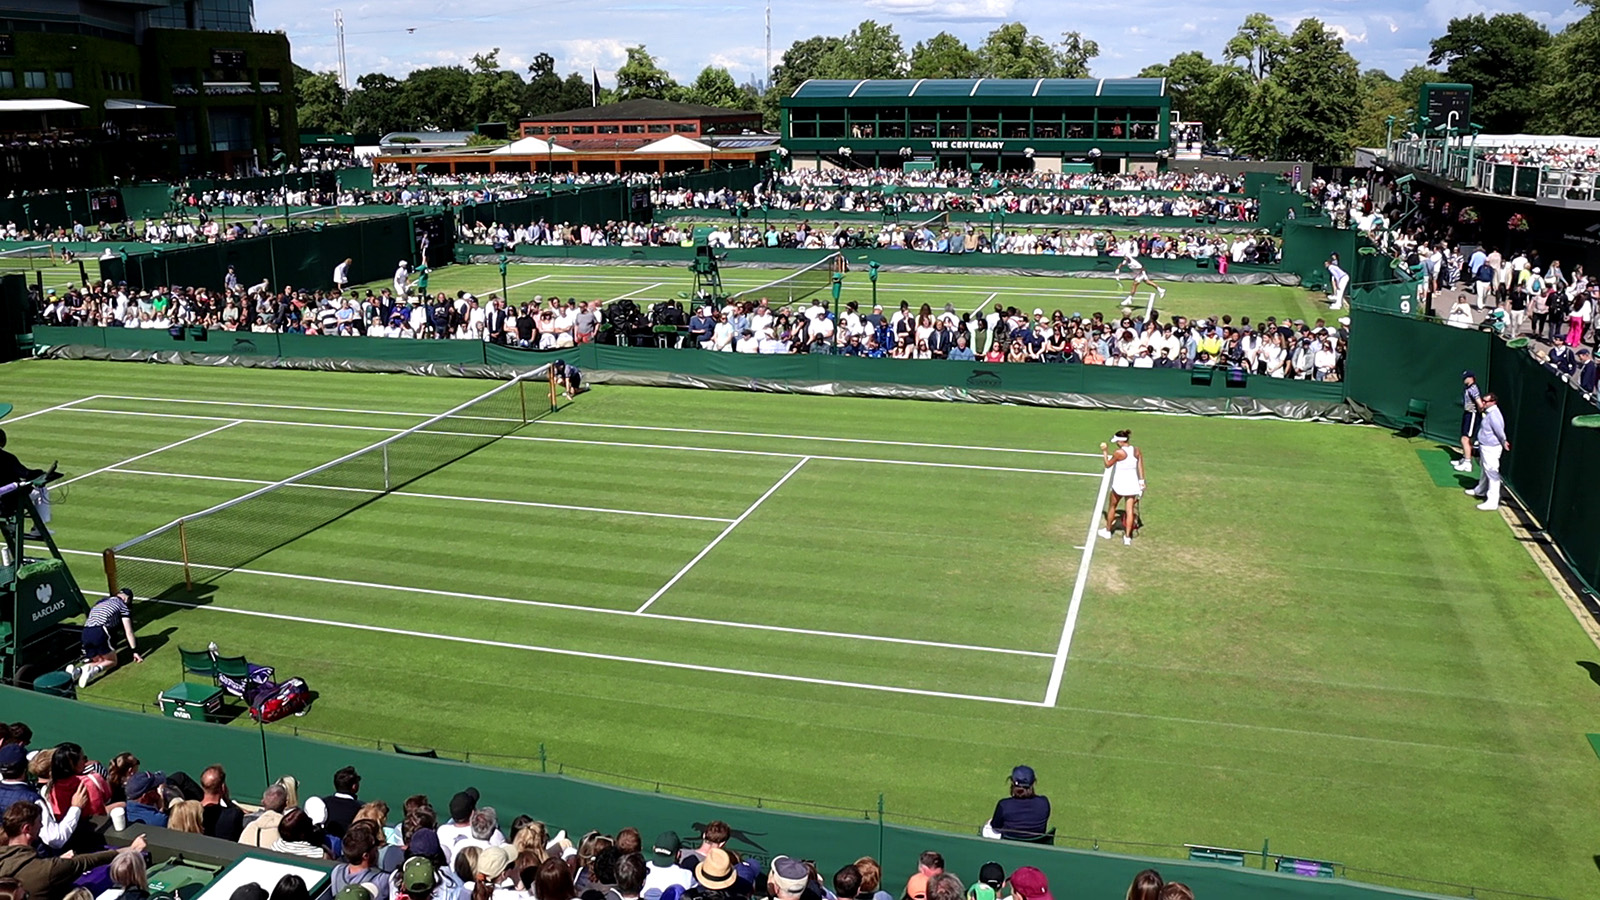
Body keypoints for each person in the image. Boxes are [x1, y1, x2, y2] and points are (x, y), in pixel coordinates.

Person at [0, 801, 140, 900]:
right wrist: (128, 850)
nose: (42, 825)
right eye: (39, 822)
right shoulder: (46, 870)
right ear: (27, 829)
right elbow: (86, 861)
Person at [67, 589, 141, 689]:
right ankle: (93, 672)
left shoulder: (101, 602)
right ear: (127, 599)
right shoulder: (123, 606)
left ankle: (78, 671)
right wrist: (134, 651)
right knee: (112, 661)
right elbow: (128, 631)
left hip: (86, 632)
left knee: (99, 660)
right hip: (100, 631)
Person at [1098, 430, 1145, 546]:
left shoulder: (1119, 453)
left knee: (1112, 506)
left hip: (1120, 484)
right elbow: (1140, 466)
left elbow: (1107, 464)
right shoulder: (1137, 450)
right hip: (1132, 484)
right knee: (1130, 511)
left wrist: (1105, 451)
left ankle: (1108, 531)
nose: (1116, 443)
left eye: (1117, 441)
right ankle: (1127, 537)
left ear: (1120, 441)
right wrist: (1141, 482)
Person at [1466, 392, 1510, 511]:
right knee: (1485, 469)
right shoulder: (1489, 412)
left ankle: (1492, 501)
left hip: (1491, 448)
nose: (1483, 403)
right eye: (1483, 400)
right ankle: (1480, 490)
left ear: (1493, 402)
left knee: (1492, 473)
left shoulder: (1494, 415)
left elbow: (1499, 431)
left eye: (1486, 401)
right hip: (1485, 446)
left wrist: (1504, 441)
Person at [982, 765, 1051, 841]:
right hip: (1035, 845)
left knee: (988, 827)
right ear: (1033, 783)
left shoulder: (1004, 805)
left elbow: (995, 827)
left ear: (1012, 783)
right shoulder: (1044, 803)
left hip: (1009, 845)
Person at [1453, 371, 1484, 472]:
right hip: (1467, 414)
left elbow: (1480, 404)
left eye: (1466, 377)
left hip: (1472, 415)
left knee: (1465, 438)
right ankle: (1464, 458)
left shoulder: (1473, 388)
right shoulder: (1468, 388)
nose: (1464, 379)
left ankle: (1467, 463)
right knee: (1465, 437)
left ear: (1471, 378)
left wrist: (1479, 412)